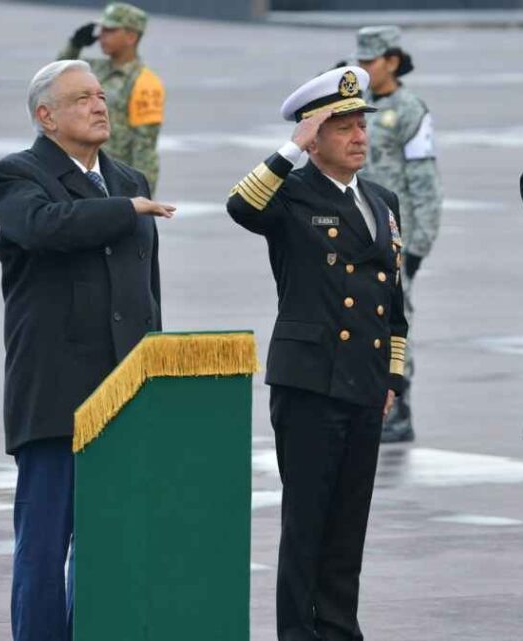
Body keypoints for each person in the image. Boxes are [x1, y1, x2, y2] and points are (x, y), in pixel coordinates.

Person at [0, 59, 172, 641]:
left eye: (100, 96)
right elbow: (45, 227)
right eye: (82, 98)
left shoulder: (130, 180)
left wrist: (156, 374)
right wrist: (123, 211)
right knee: (44, 547)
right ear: (46, 117)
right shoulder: (16, 176)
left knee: (111, 545)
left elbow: (148, 293)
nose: (100, 105)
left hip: (125, 394)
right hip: (58, 395)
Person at [226, 66, 409, 641]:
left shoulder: (381, 200)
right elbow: (240, 206)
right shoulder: (291, 194)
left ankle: (338, 629)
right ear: (315, 136)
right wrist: (290, 149)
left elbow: (393, 302)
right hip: (309, 383)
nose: (359, 136)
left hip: (362, 383)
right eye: (343, 127)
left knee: (348, 525)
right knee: (306, 524)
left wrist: (392, 381)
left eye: (362, 125)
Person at [355, 25, 441, 443]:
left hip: (395, 234)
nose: (364, 70)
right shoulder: (359, 105)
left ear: (391, 60)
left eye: (370, 62)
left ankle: (398, 407)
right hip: (357, 227)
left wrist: (420, 243)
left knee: (394, 320)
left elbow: (425, 181)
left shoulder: (410, 109)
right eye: (360, 63)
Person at [58, 2, 164, 191]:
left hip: (113, 182)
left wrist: (142, 195)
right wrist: (74, 46)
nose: (101, 36)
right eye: (102, 30)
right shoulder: (92, 69)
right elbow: (57, 78)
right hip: (78, 173)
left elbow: (145, 148)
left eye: (110, 30)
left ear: (131, 37)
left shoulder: (145, 82)